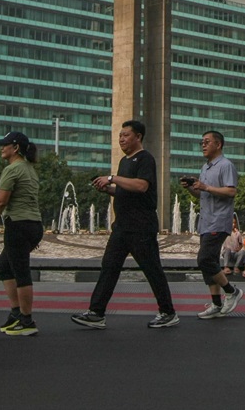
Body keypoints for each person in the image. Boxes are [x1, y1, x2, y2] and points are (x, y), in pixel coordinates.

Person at [71, 120, 178, 329]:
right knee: (109, 267)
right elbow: (124, 190)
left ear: (138, 137)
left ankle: (168, 312)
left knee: (152, 269)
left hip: (141, 226)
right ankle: (96, 313)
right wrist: (108, 189)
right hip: (121, 226)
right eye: (120, 135)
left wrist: (112, 178)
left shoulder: (145, 159)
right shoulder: (124, 161)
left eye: (126, 135)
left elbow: (141, 186)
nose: (121, 139)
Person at [0, 130, 44, 336]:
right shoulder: (29, 168)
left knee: (21, 271)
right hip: (34, 225)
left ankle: (27, 320)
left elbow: (2, 201)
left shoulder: (12, 170)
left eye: (5, 144)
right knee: (4, 266)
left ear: (16, 148)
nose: (1, 148)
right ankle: (16, 313)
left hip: (19, 225)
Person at [184, 130, 243, 319]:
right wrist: (192, 189)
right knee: (208, 263)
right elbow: (203, 194)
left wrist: (206, 187)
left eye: (207, 142)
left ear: (218, 145)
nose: (203, 145)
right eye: (202, 142)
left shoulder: (226, 165)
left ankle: (232, 291)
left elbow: (231, 191)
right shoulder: (205, 168)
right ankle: (216, 304)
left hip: (218, 220)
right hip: (206, 221)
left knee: (205, 260)